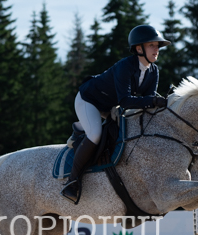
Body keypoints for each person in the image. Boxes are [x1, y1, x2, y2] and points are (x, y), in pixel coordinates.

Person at [61, 24, 171, 204]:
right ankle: (72, 182)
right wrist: (153, 101)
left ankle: (81, 129)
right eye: (152, 45)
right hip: (89, 100)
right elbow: (126, 101)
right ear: (139, 49)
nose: (156, 49)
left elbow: (147, 101)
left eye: (157, 45)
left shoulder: (153, 71)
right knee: (95, 134)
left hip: (110, 106)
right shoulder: (125, 66)